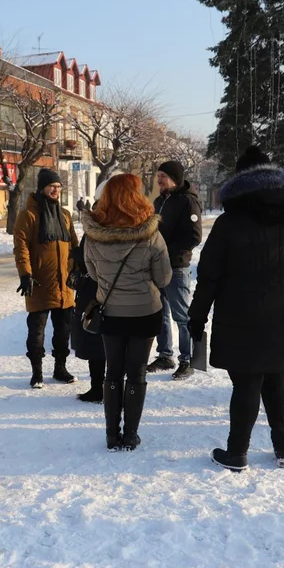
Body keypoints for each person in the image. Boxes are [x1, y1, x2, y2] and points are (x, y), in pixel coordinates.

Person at [187, 146, 284, 472]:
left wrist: (197, 316)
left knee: (246, 384)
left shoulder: (228, 224)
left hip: (240, 316)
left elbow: (209, 278)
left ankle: (237, 453)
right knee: (276, 380)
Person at [83, 174, 172, 450]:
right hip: (145, 312)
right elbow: (164, 277)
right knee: (137, 372)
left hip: (110, 312)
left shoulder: (93, 235)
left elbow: (93, 274)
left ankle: (112, 435)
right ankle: (131, 435)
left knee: (113, 372)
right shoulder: (150, 234)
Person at [14, 168, 79, 389]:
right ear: (42, 188)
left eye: (59, 187)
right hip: (40, 283)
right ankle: (37, 373)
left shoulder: (65, 216)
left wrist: (76, 269)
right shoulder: (29, 215)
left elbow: (74, 247)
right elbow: (20, 247)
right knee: (37, 331)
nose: (56, 190)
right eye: (52, 186)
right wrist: (25, 274)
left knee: (63, 331)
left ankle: (60, 368)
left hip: (64, 284)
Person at [147, 160, 203, 380]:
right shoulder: (160, 200)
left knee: (182, 315)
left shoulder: (188, 201)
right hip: (156, 266)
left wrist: (166, 252)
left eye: (163, 176)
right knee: (160, 312)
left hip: (176, 266)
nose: (159, 179)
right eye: (158, 175)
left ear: (175, 178)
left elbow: (194, 236)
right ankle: (165, 355)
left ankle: (188, 359)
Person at [70, 239, 106, 402]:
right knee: (110, 342)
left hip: (94, 292)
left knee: (94, 338)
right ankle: (109, 387)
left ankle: (99, 388)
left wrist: (78, 255)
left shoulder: (97, 228)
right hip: (113, 291)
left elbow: (90, 260)